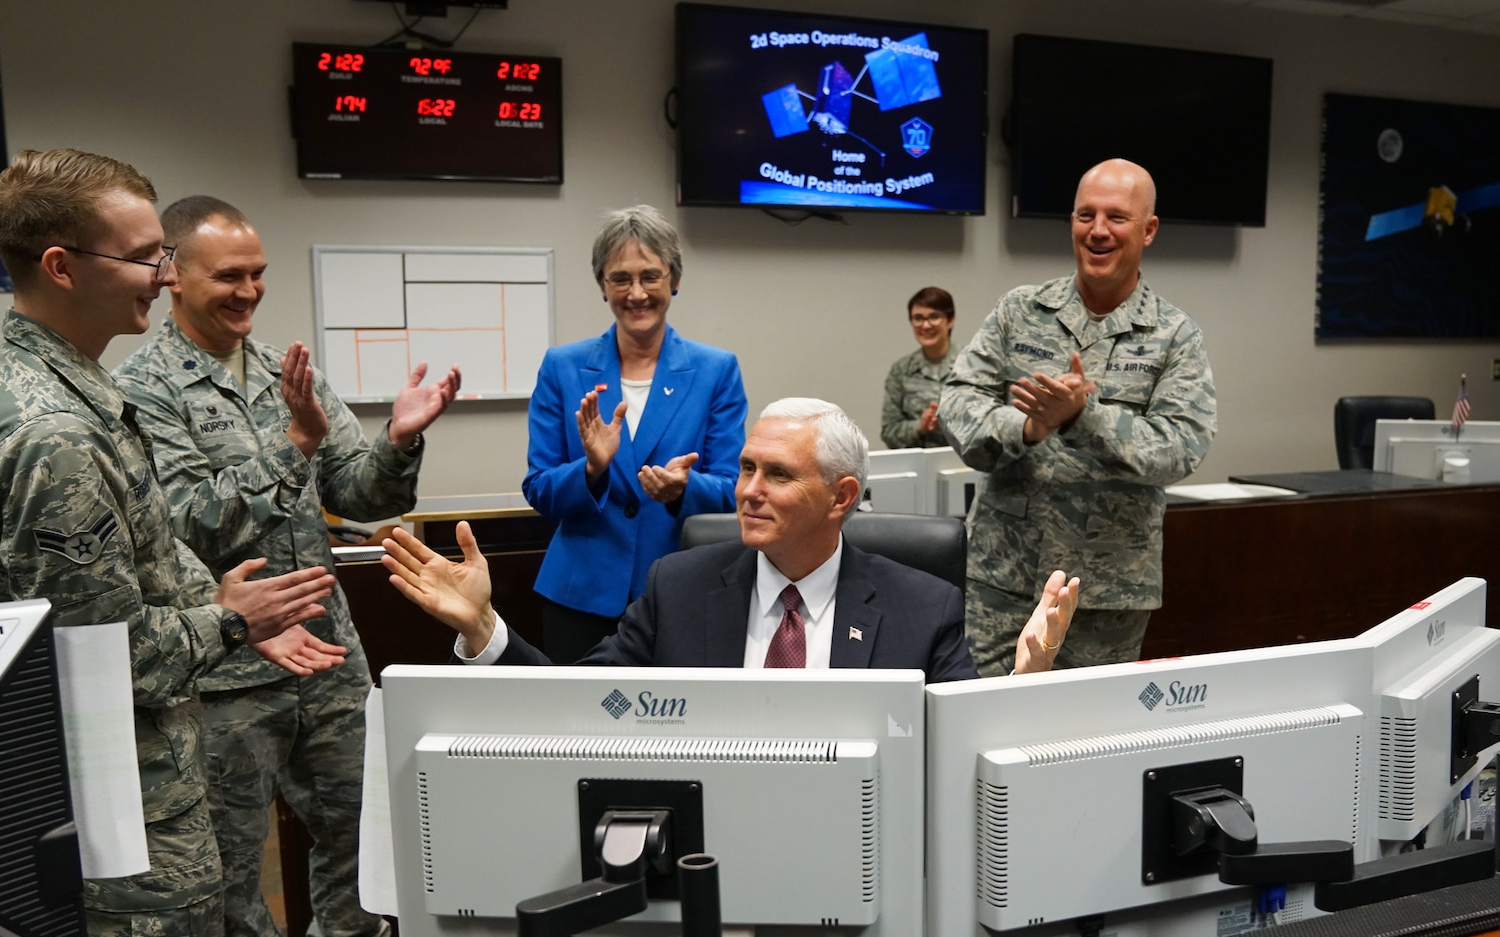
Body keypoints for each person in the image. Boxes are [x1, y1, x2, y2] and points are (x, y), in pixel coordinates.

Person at [0, 149, 338, 937]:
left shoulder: (52, 388)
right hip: (125, 811)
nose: (163, 278)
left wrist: (227, 609)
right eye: (144, 257)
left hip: (135, 785)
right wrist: (229, 624)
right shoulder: (54, 434)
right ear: (60, 266)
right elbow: (104, 654)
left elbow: (145, 553)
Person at [113, 195, 461, 937]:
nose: (248, 290)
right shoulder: (143, 390)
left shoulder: (284, 372)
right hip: (228, 671)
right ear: (172, 275)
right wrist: (292, 445)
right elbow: (185, 525)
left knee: (363, 834)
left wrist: (399, 439)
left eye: (258, 273)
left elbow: (360, 493)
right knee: (235, 871)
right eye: (227, 275)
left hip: (327, 655)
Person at [384, 398, 1078, 680]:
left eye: (777, 474)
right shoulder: (678, 588)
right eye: (746, 468)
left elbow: (956, 750)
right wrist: (484, 630)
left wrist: (1024, 683)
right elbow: (577, 708)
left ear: (840, 497)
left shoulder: (920, 606)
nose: (747, 489)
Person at [939, 159, 1216, 677]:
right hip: (1004, 580)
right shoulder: (1019, 311)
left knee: (1083, 739)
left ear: (1148, 229)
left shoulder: (1175, 335)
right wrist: (1026, 427)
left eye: (1117, 217)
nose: (1098, 230)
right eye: (1085, 215)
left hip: (1107, 593)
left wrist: (1082, 418)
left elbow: (1183, 446)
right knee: (980, 723)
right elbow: (958, 402)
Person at [523, 204, 747, 662]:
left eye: (651, 276)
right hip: (579, 596)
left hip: (684, 592)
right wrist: (591, 469)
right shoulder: (563, 367)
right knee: (577, 729)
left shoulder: (716, 370)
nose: (637, 292)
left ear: (675, 280)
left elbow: (735, 491)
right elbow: (539, 488)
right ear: (603, 286)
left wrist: (683, 489)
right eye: (620, 278)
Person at [881, 286, 961, 449]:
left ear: (950, 320)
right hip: (919, 465)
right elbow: (889, 432)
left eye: (934, 317)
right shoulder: (902, 370)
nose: (925, 325)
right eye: (918, 318)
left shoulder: (973, 364)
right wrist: (920, 426)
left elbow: (992, 422)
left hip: (966, 464)